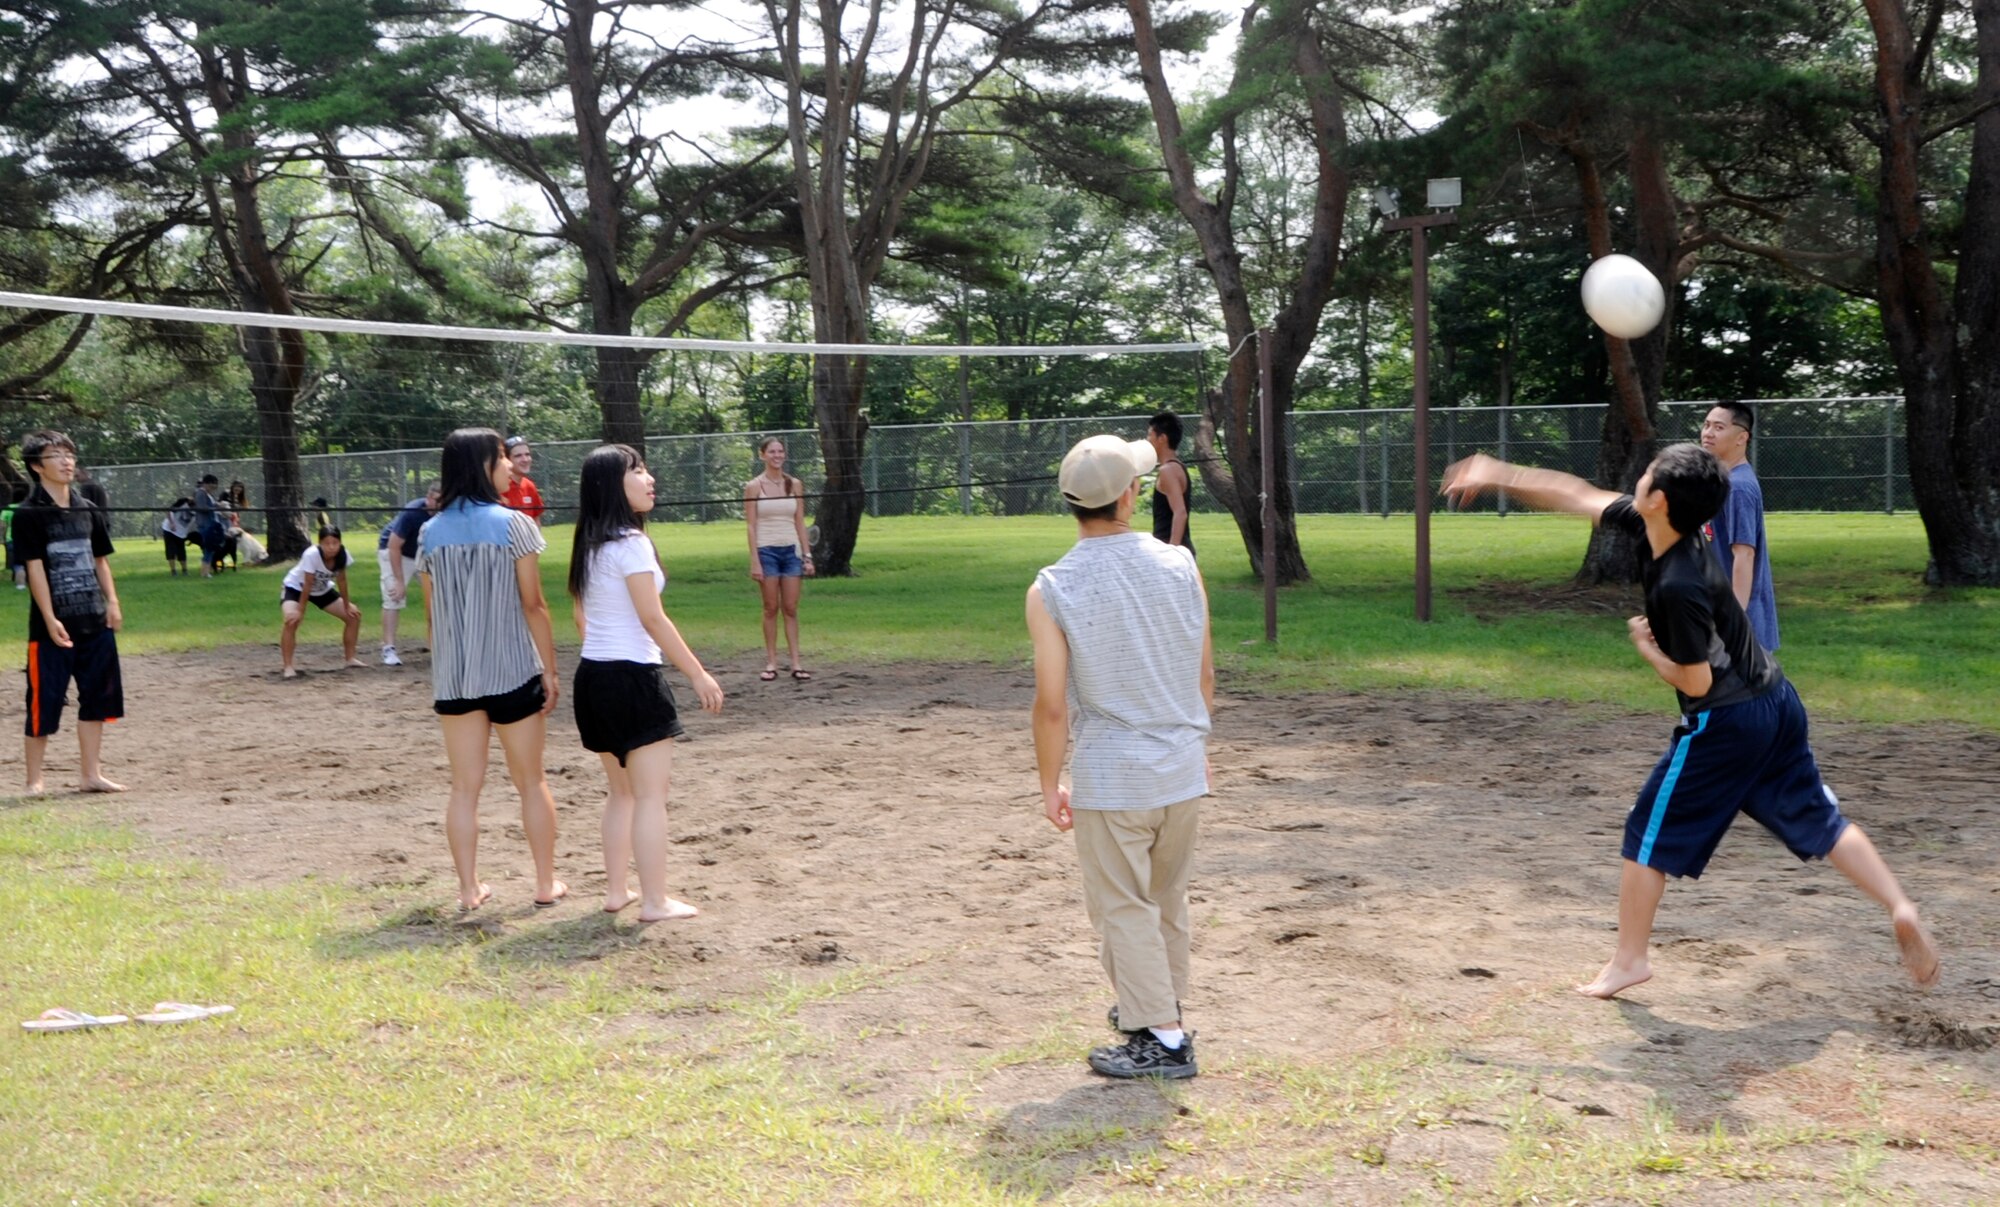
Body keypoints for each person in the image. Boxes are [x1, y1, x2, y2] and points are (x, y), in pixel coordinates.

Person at [1441, 444, 1938, 999]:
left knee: (1647, 831)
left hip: (1727, 720)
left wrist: (1646, 650)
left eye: (1646, 473)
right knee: (1819, 818)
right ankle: (1899, 904)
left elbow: (1695, 681)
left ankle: (1629, 960)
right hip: (1777, 700)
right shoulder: (1665, 524)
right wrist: (1498, 475)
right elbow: (1575, 494)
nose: (1639, 476)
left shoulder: (1677, 584)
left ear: (1656, 499)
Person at [1027, 433, 1214, 1080]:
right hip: (1182, 765)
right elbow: (1204, 678)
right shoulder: (1180, 563)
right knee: (1166, 897)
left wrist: (1050, 782)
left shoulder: (1052, 586)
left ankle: (1162, 1036)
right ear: (1131, 494)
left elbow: (1052, 704)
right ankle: (1158, 1009)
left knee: (1123, 905)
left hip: (1114, 772)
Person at [568, 445, 725, 920]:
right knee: (651, 797)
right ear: (612, 485)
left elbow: (581, 615)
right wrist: (697, 673)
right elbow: (653, 619)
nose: (649, 477)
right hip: (631, 678)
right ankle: (654, 901)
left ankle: (618, 893)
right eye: (636, 470)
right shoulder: (631, 544)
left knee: (622, 794)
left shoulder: (590, 543)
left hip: (593, 678)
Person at [416, 428, 566, 912]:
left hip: (457, 680)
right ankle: (545, 885)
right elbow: (535, 606)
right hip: (512, 671)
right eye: (502, 457)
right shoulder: (514, 525)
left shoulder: (429, 532)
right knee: (531, 781)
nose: (510, 466)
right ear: (484, 465)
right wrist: (551, 670)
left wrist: (447, 669)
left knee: (464, 788)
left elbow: (432, 613)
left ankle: (467, 890)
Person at [14, 430, 124, 794]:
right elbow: (34, 569)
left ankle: (91, 775)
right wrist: (49, 618)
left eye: (69, 455)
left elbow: (100, 562)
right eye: (55, 455)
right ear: (36, 466)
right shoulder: (28, 515)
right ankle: (35, 781)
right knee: (43, 703)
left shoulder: (88, 509)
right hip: (52, 629)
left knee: (97, 699)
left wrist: (113, 602)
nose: (66, 462)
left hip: (95, 622)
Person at [1698, 402, 1779, 651]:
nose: (1708, 432)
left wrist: (1733, 620)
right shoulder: (1722, 482)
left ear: (1741, 437)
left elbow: (1744, 555)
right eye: (1707, 424)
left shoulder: (1739, 487)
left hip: (1739, 624)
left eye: (1719, 427)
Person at [743, 437, 814, 681]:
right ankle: (772, 662)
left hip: (791, 550)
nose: (777, 455)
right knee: (771, 607)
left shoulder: (794, 484)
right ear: (762, 455)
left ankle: (796, 663)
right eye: (772, 451)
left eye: (780, 451)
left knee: (791, 608)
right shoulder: (754, 487)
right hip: (766, 550)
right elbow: (751, 526)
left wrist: (807, 556)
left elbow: (800, 521)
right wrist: (755, 560)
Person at [279, 526, 365, 679]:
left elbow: (342, 580)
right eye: (327, 543)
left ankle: (350, 659)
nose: (331, 547)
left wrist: (347, 605)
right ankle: (288, 667)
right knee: (291, 620)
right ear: (320, 544)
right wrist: (300, 610)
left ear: (340, 543)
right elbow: (307, 584)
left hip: (321, 590)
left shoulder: (342, 555)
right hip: (296, 588)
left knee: (353, 616)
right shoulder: (312, 554)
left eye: (335, 543)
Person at [377, 482, 439, 666]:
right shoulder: (413, 512)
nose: (440, 504)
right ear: (428, 499)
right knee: (394, 596)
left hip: (422, 553)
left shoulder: (446, 513)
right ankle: (388, 649)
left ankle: (440, 645)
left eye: (444, 500)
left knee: (440, 596)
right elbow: (393, 546)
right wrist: (399, 580)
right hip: (396, 551)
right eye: (436, 500)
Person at [1146, 410, 1196, 557]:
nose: (1147, 439)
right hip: (1176, 548)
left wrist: (1172, 552)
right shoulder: (1176, 467)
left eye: (1150, 435)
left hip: (1172, 549)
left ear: (1162, 438)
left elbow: (1180, 513)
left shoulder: (1168, 470)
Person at [501, 435, 546, 525]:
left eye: (527, 454)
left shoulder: (529, 486)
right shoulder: (500, 487)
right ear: (507, 460)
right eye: (518, 456)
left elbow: (536, 519)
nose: (525, 459)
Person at [193, 474, 228, 578]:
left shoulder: (208, 494)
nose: (213, 488)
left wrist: (217, 504)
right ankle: (204, 572)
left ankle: (206, 571)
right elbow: (202, 508)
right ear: (206, 484)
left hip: (211, 524)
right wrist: (216, 506)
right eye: (212, 486)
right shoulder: (200, 493)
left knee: (211, 549)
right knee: (208, 548)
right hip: (205, 525)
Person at [161, 497, 196, 576]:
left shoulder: (200, 507)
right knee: (171, 550)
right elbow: (168, 510)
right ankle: (173, 571)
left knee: (181, 552)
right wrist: (171, 523)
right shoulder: (183, 502)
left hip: (181, 533)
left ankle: (185, 570)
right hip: (170, 529)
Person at [3, 484, 26, 590]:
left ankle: (20, 584)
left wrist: (1, 538)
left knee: (16, 563)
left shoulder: (7, 510)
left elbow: (2, 526)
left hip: (10, 539)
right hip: (25, 539)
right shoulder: (26, 509)